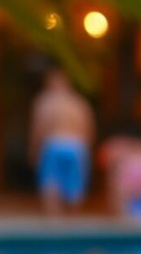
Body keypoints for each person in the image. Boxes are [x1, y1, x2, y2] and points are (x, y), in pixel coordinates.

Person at [29, 67, 96, 214]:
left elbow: (38, 129)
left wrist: (34, 151)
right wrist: (88, 152)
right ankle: (73, 223)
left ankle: (54, 222)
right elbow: (88, 129)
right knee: (75, 187)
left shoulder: (45, 101)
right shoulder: (79, 102)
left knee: (51, 185)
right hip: (77, 147)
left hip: (54, 145)